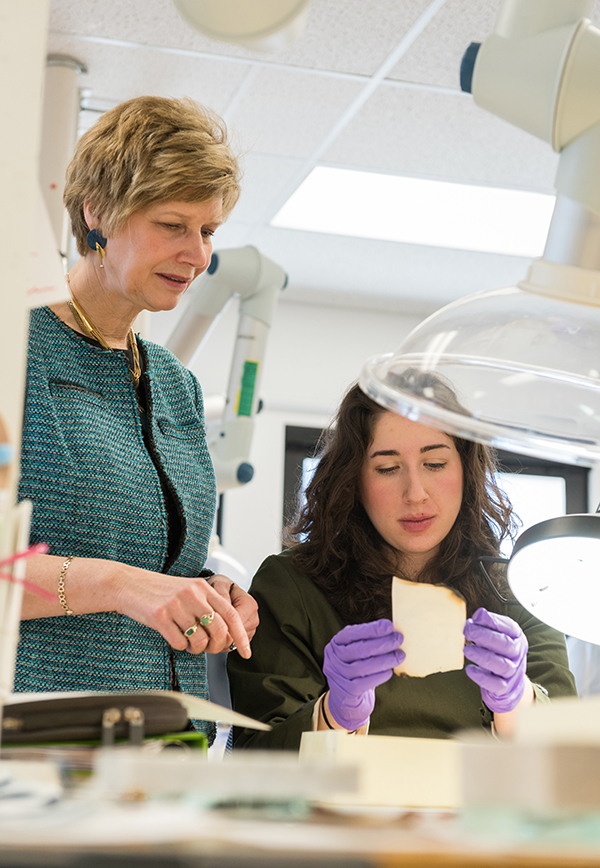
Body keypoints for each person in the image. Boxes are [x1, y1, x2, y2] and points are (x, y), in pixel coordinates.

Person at [16, 96, 258, 744]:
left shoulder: (175, 384)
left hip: (160, 741)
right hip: (37, 742)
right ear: (98, 213)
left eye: (208, 230)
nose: (198, 253)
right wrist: (123, 586)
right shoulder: (17, 351)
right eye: (173, 224)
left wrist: (208, 591)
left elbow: (159, 562)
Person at [227, 376, 576, 749]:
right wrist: (331, 715)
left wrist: (518, 701)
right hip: (338, 806)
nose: (415, 493)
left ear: (466, 471)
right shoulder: (291, 585)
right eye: (387, 468)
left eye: (436, 463)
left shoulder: (521, 587)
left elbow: (572, 757)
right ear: (354, 479)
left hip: (481, 805)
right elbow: (253, 760)